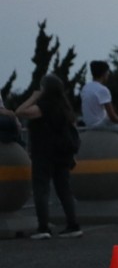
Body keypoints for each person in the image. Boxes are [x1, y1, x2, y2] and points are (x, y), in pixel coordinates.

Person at [9, 75, 83, 239]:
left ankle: (43, 228)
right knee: (64, 190)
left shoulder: (44, 106)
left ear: (45, 89)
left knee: (41, 189)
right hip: (63, 154)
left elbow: (20, 112)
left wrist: (34, 97)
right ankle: (73, 225)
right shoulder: (65, 108)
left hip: (44, 153)